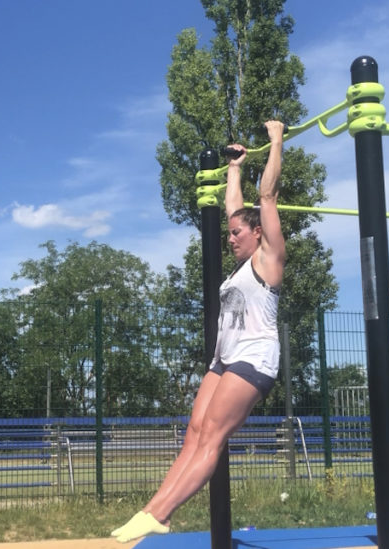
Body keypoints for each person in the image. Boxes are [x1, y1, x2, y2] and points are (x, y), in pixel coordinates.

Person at [111, 120, 286, 543]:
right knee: (193, 431)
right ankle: (156, 513)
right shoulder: (242, 266)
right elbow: (234, 205)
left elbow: (267, 196)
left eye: (237, 233)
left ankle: (159, 511)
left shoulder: (269, 260)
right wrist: (234, 167)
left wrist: (276, 142)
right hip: (225, 358)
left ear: (258, 232)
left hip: (254, 356)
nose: (230, 239)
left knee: (212, 435)